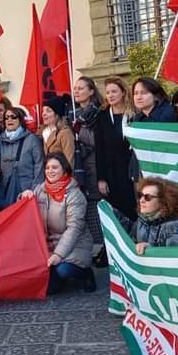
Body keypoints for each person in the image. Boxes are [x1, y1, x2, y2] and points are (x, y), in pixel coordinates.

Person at [19, 153, 95, 294]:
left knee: (63, 270)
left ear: (64, 170)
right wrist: (23, 197)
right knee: (48, 290)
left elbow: (74, 229)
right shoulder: (40, 190)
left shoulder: (75, 195)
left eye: (55, 167)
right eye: (47, 167)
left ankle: (86, 273)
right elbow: (24, 214)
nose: (50, 171)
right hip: (48, 247)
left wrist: (58, 255)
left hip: (75, 246)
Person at [96, 76, 138, 225]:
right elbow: (99, 148)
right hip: (111, 170)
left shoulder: (134, 114)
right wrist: (101, 178)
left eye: (114, 91)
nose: (111, 95)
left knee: (134, 207)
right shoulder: (102, 116)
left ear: (123, 92)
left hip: (131, 169)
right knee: (117, 210)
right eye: (108, 92)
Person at [72, 77, 108, 247]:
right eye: (75, 88)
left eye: (80, 88)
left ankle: (103, 248)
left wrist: (78, 131)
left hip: (96, 166)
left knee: (98, 208)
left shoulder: (99, 113)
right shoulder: (73, 114)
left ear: (91, 91)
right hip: (80, 168)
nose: (76, 91)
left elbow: (98, 140)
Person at [0, 107, 44, 211]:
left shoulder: (32, 138)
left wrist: (35, 189)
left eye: (13, 117)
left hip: (27, 188)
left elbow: (39, 165)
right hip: (6, 189)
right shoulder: (0, 139)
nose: (9, 120)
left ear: (20, 119)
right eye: (6, 117)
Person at [117, 177, 178, 255]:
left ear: (164, 201)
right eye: (140, 195)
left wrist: (151, 250)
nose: (141, 200)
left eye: (147, 197)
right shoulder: (143, 220)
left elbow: (177, 257)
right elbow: (131, 236)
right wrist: (114, 214)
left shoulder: (175, 227)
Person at [41, 96, 75, 166]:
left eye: (48, 111)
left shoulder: (65, 133)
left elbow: (69, 160)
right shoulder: (42, 132)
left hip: (61, 174)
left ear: (57, 115)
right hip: (48, 174)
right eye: (43, 111)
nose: (43, 114)